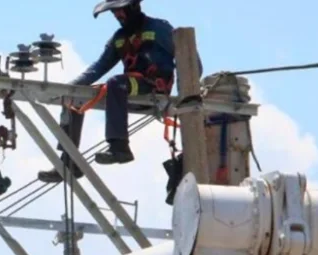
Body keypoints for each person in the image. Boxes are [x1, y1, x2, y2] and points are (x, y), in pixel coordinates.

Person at [37, 0, 203, 183]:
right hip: (128, 88)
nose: (116, 15)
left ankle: (119, 147)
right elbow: (98, 68)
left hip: (154, 88)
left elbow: (192, 64)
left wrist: (183, 96)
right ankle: (69, 161)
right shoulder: (119, 38)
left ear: (133, 6)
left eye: (119, 10)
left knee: (116, 83)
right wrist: (68, 89)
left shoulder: (159, 28)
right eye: (113, 12)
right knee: (76, 96)